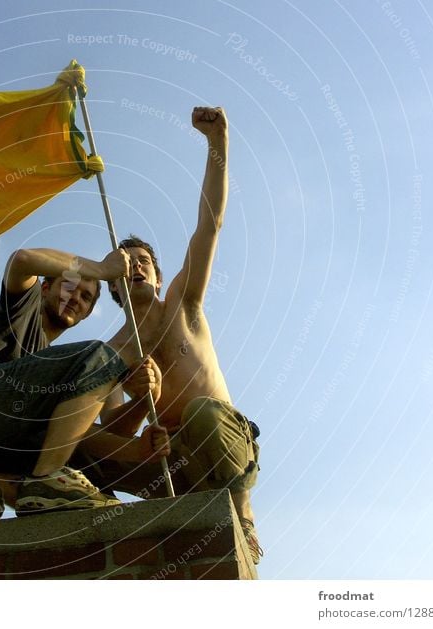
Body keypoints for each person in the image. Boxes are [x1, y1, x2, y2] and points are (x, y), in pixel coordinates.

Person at [77, 107, 263, 564]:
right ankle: (114, 513)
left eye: (143, 260)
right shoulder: (114, 351)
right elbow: (110, 429)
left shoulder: (183, 302)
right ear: (113, 283)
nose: (135, 264)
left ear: (158, 277)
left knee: (200, 414)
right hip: (169, 459)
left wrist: (217, 142)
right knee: (79, 444)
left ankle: (241, 510)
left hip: (221, 440)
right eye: (125, 261)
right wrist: (141, 401)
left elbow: (210, 223)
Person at [0, 246, 171, 524]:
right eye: (69, 287)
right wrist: (100, 270)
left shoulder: (46, 375)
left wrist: (137, 451)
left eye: (86, 297)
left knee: (68, 453)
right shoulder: (23, 306)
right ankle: (47, 478)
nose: (76, 298)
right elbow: (21, 260)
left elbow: (79, 434)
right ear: (45, 287)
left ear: (87, 314)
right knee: (102, 357)